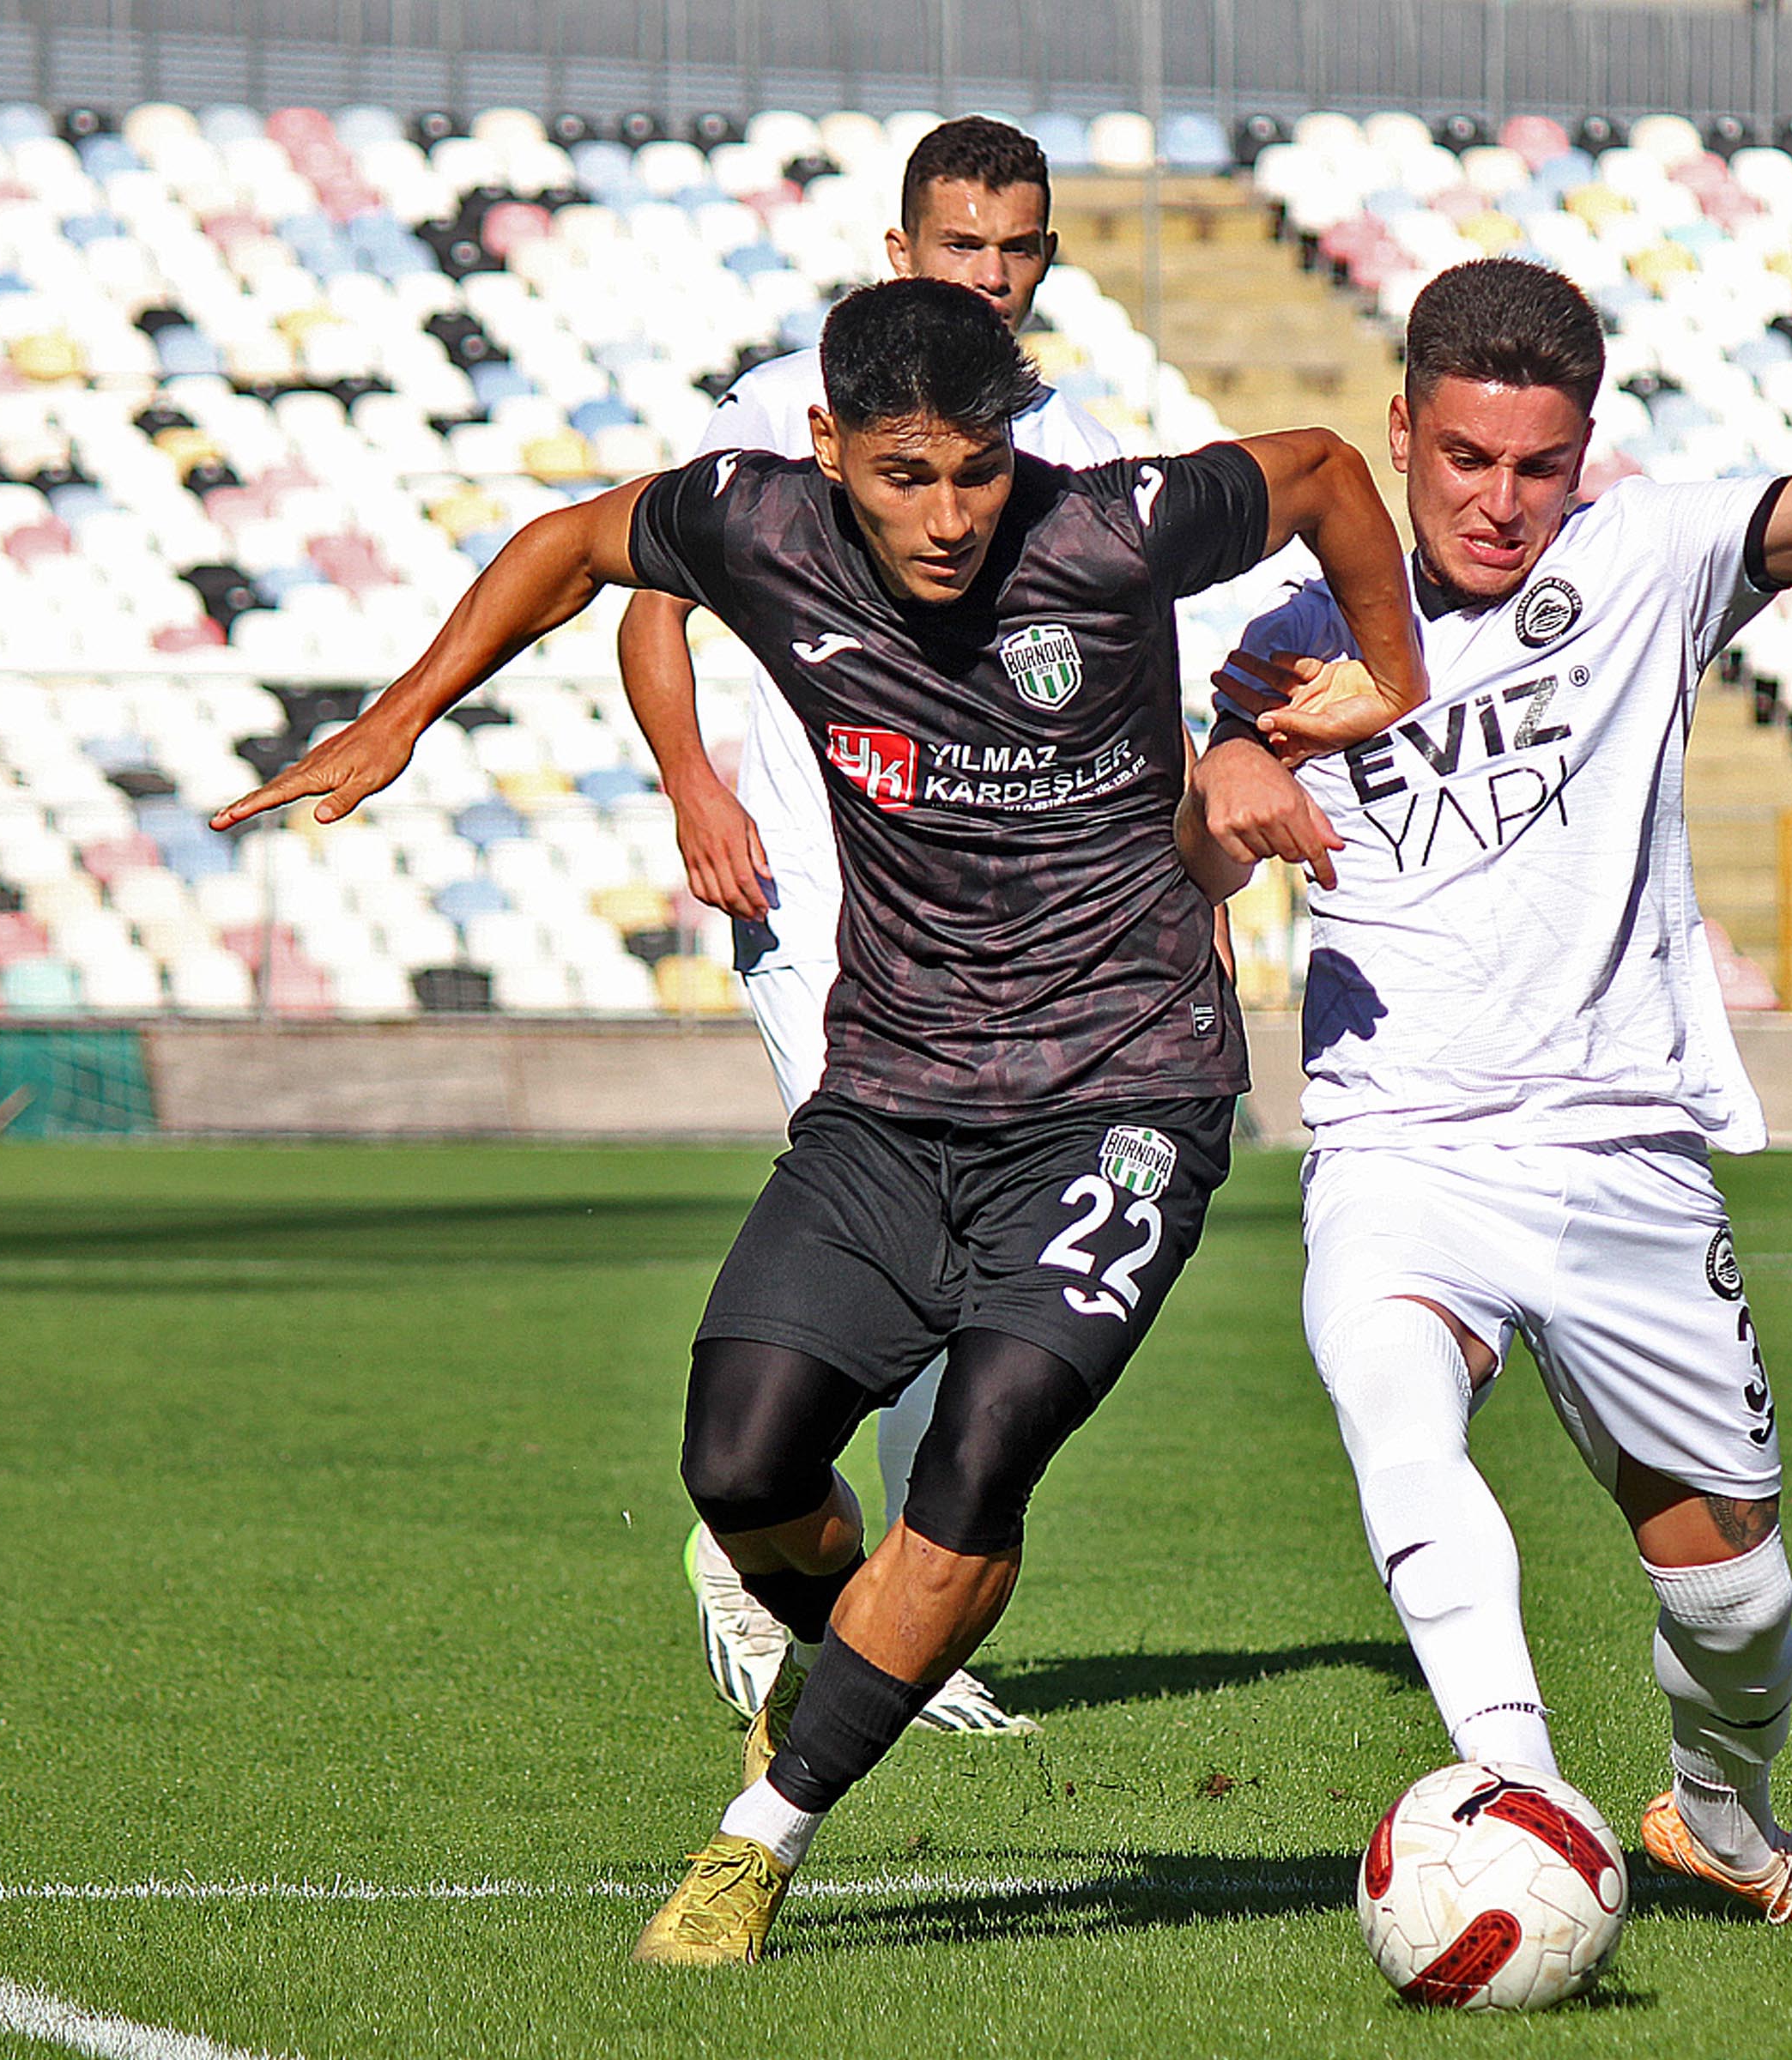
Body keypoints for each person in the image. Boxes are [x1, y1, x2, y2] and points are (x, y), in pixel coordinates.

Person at [214, 276, 1425, 1966]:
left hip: (1124, 1098)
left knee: (981, 1448)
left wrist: (1391, 664)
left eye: (979, 474)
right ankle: (855, 1646)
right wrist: (402, 718)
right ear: (824, 450)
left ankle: (755, 1846)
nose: (948, 520)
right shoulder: (752, 522)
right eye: (905, 477)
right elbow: (575, 547)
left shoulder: (1114, 528)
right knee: (739, 1455)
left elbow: (1319, 473)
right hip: (897, 1094)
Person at [1190, 173, 1792, 1929]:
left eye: (1541, 465)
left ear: (1586, 454)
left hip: (1622, 1150)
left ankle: (1721, 1818)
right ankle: (1526, 1794)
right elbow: (1190, 845)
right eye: (1469, 459)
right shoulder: (1273, 635)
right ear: (1400, 434)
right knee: (1399, 1424)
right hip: (1397, 1142)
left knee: (1736, 1604)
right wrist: (1227, 785)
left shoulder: (1652, 560)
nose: (1504, 501)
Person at [624, 115, 1122, 1739]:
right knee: (906, 1230)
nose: (991, 272)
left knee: (981, 1265)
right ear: (901, 252)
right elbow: (645, 598)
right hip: (824, 896)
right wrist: (697, 782)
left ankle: (879, 1606)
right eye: (962, 245)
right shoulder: (791, 405)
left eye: (1019, 246)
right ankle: (790, 1574)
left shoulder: (1064, 429)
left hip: (995, 917)